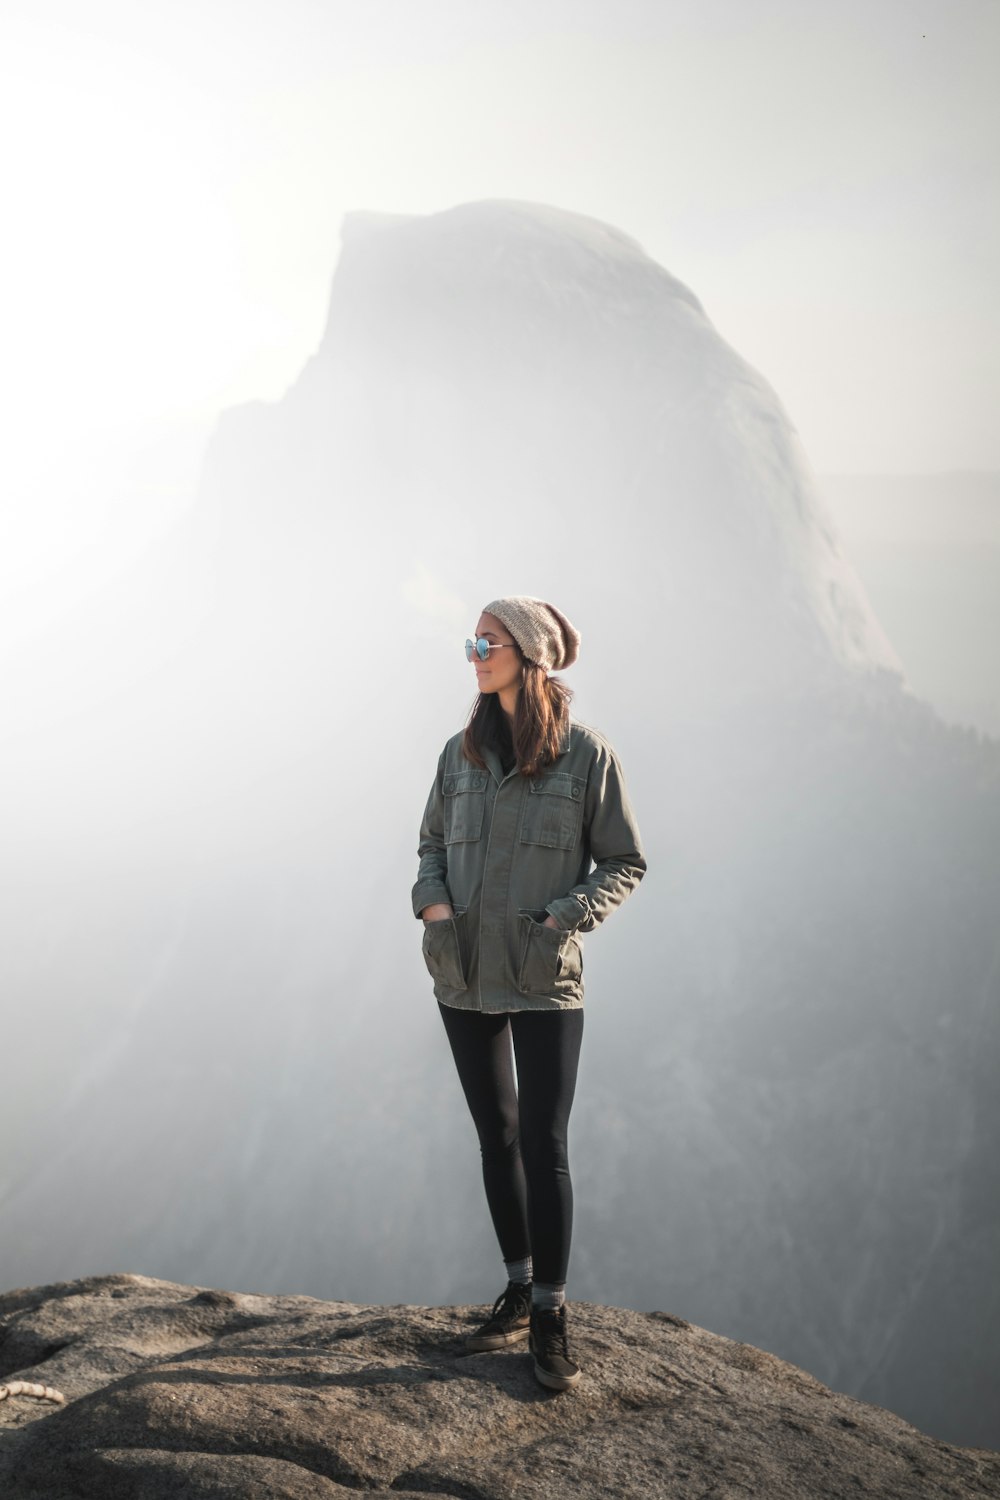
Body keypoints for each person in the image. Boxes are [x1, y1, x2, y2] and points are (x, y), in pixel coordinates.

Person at [412, 595, 645, 1391]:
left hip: (544, 978)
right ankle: (516, 1286)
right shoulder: (458, 755)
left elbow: (624, 862)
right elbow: (431, 846)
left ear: (531, 656)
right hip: (464, 971)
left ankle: (550, 1312)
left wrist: (562, 917)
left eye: (491, 641)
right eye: (471, 641)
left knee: (544, 1145)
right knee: (496, 1136)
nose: (476, 653)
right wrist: (435, 911)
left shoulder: (587, 757)